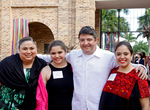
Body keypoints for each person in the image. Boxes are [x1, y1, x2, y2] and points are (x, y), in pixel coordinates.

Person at [37, 26, 147, 110]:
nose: (85, 43)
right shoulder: (74, 55)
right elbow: (54, 57)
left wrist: (142, 67)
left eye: (89, 39)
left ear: (95, 40)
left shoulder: (108, 57)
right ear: (79, 41)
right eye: (82, 40)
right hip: (77, 106)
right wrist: (31, 55)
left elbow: (124, 62)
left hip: (99, 106)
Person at [99, 41, 149, 110]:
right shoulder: (112, 71)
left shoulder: (139, 77)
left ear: (131, 55)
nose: (122, 57)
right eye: (118, 54)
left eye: (126, 54)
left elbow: (146, 106)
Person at [0, 37, 47, 110]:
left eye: (32, 48)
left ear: (36, 49)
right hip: (8, 106)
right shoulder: (6, 64)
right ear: (19, 50)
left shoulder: (42, 65)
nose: (28, 52)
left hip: (32, 105)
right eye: (24, 49)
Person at [36, 40, 74, 110]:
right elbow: (40, 95)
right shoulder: (46, 70)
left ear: (65, 51)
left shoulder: (73, 69)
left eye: (60, 52)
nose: (57, 56)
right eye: (53, 53)